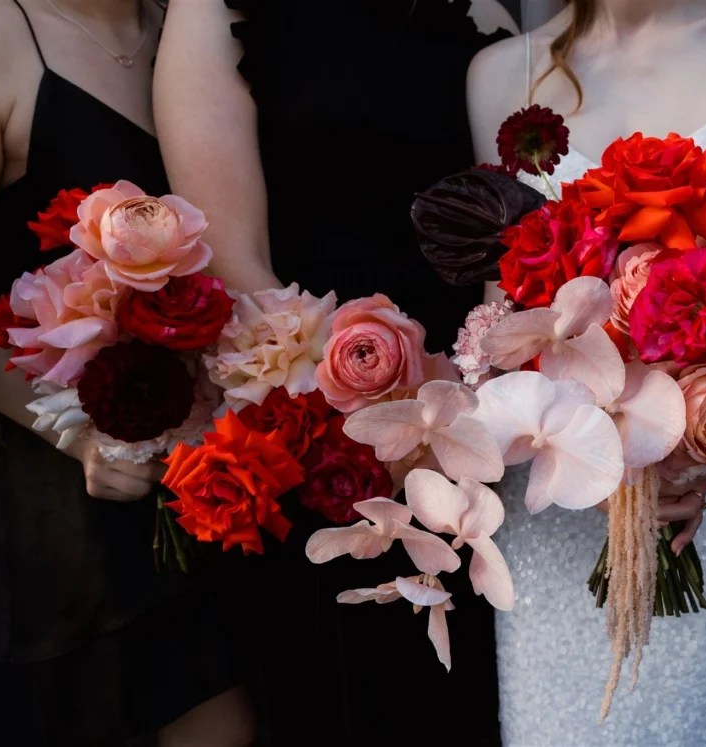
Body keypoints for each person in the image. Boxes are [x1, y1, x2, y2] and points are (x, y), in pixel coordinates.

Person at [153, 1, 518, 744]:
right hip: (320, 432)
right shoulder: (219, 8)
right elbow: (235, 260)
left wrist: (468, 399)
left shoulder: (484, 9)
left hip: (476, 426)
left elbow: (515, 224)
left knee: (470, 703)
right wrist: (371, 416)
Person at [466, 2, 706, 744]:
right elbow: (502, 312)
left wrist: (698, 462)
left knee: (689, 721)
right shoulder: (502, 72)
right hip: (552, 488)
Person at [0, 1, 256, 745]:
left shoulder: (201, 24)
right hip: (66, 510)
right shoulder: (4, 37)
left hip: (209, 486)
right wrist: (71, 431)